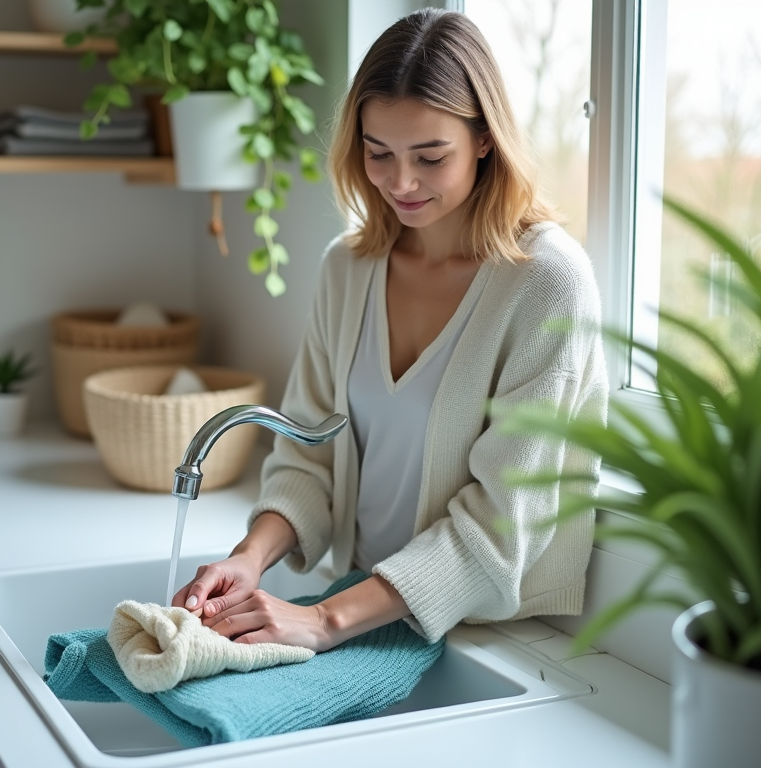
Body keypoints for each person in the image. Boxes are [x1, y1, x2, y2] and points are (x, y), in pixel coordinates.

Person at [171, 8, 608, 652]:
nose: (400, 182)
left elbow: (500, 522)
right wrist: (251, 557)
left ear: (485, 138)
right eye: (379, 153)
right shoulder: (348, 268)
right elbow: (308, 453)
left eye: (430, 157)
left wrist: (323, 620)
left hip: (475, 635)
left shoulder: (547, 282)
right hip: (346, 603)